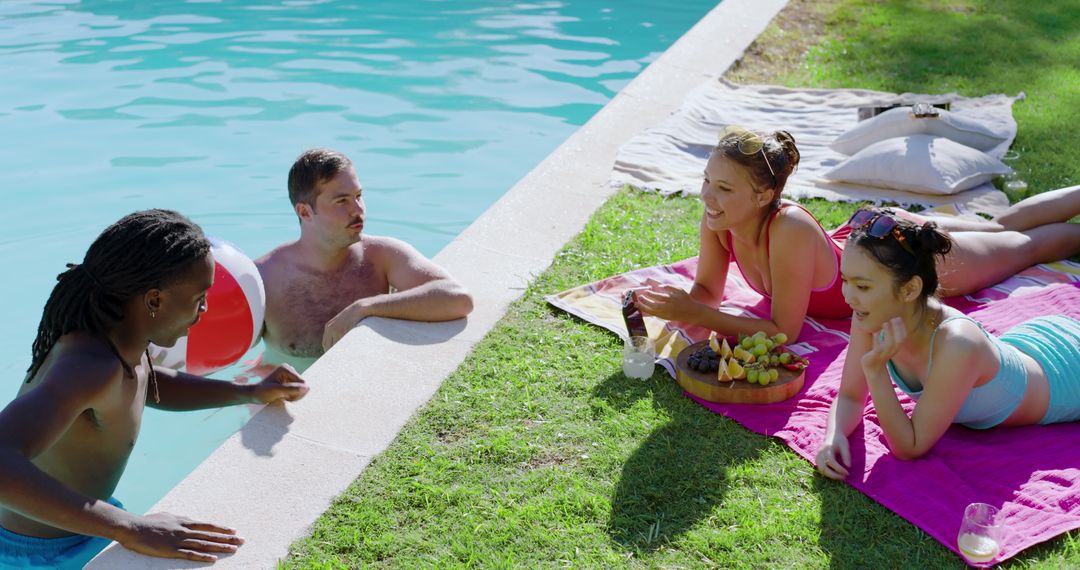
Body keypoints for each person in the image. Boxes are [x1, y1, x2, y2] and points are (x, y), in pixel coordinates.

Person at [0, 210, 309, 568]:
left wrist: (249, 391)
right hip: (39, 553)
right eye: (199, 298)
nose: (204, 310)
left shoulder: (124, 344)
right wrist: (132, 528)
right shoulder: (88, 366)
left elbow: (149, 382)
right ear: (154, 301)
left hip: (80, 521)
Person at [633, 126, 1080, 342]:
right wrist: (671, 302)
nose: (708, 195)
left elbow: (781, 331)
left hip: (902, 256)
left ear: (764, 193)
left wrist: (697, 313)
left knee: (1025, 244)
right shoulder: (720, 220)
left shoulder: (787, 228)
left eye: (725, 187)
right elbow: (708, 291)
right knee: (998, 228)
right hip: (871, 231)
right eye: (707, 180)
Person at [815, 208, 1080, 477]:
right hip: (1031, 344)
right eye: (846, 280)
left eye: (862, 286)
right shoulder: (871, 317)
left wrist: (875, 370)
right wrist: (832, 436)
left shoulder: (957, 343)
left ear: (910, 289)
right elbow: (850, 396)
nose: (848, 296)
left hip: (1068, 376)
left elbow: (910, 447)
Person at [256, 148, 474, 362]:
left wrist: (365, 308)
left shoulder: (381, 256)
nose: (358, 210)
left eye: (358, 196)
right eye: (342, 201)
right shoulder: (264, 278)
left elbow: (458, 299)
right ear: (305, 212)